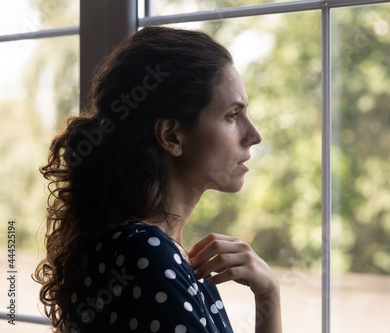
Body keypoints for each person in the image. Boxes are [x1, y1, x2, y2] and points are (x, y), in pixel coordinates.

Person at [34, 26, 282, 333]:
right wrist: (269, 295)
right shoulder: (147, 255)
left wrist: (268, 294)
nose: (254, 136)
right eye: (232, 115)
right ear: (171, 135)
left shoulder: (153, 251)